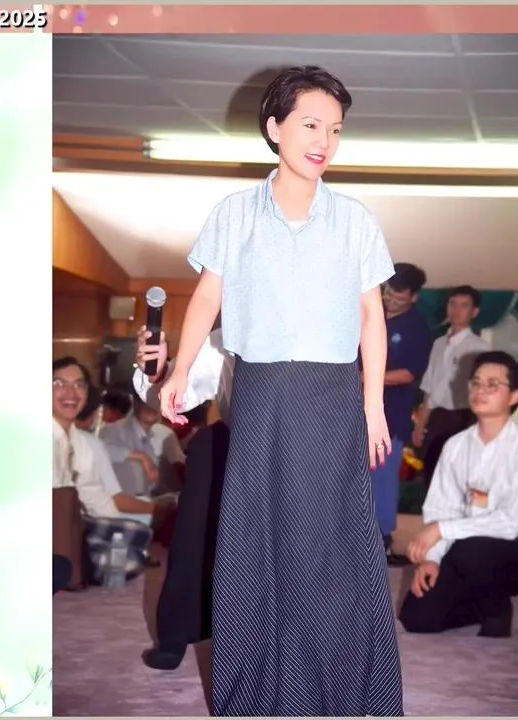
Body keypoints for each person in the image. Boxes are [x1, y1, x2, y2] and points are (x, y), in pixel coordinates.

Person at [153, 66, 403, 717]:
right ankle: (258, 695)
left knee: (331, 549)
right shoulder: (235, 214)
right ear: (274, 127)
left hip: (332, 398)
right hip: (262, 396)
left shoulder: (355, 221)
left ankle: (341, 694)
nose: (325, 141)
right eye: (311, 124)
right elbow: (207, 297)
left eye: (336, 130)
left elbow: (371, 317)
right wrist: (180, 370)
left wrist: (373, 405)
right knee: (257, 546)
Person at [399, 351, 518, 638]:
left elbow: (510, 523)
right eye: (476, 382)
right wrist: (432, 559)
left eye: (493, 385)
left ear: (514, 396)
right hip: (463, 552)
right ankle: (480, 605)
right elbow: (441, 509)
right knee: (417, 618)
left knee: (472, 551)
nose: (481, 390)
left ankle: (497, 609)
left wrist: (442, 530)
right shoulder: (455, 446)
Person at [133, 328, 233, 672]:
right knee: (205, 449)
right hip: (235, 436)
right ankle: (178, 630)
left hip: (305, 444)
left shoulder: (332, 321)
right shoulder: (228, 334)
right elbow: (177, 393)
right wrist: (158, 372)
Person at [52, 357, 165, 585]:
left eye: (78, 384)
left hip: (81, 525)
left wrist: (116, 530)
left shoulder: (82, 442)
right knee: (128, 548)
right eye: (59, 384)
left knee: (135, 536)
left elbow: (95, 496)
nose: (70, 393)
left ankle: (87, 563)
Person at [373, 263, 434, 566]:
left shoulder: (416, 328)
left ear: (413, 296)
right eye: (387, 289)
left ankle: (383, 540)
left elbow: (408, 374)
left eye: (398, 293)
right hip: (358, 415)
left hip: (391, 419)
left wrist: (364, 378)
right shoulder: (372, 317)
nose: (390, 296)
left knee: (382, 481)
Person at [412, 286, 489, 483]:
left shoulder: (478, 348)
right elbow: (430, 386)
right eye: (452, 304)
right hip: (437, 418)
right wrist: (420, 425)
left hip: (463, 417)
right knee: (431, 475)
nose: (456, 310)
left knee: (457, 478)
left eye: (464, 305)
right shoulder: (439, 344)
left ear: (474, 312)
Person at [99, 393, 166, 496]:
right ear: (136, 403)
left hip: (139, 501)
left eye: (158, 403)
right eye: (146, 402)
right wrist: (141, 456)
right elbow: (100, 450)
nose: (152, 407)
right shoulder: (115, 429)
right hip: (115, 501)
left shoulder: (154, 437)